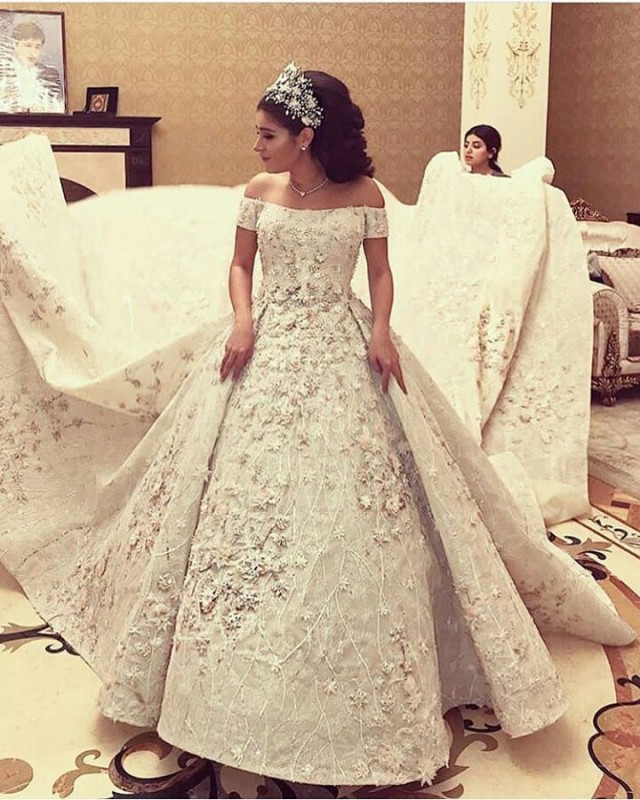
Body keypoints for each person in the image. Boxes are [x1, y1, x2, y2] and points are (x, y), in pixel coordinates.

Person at [0, 64, 635, 788]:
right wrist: (242, 321)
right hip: (265, 343)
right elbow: (240, 268)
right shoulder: (258, 192)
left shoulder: (363, 195)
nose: (257, 145)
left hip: (344, 341)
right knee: (229, 495)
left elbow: (381, 274)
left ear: (306, 136)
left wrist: (383, 331)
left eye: (268, 134)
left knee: (367, 496)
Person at [0, 19, 65, 113]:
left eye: (37, 47)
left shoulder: (50, 75)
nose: (33, 52)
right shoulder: (2, 72)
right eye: (28, 45)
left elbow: (58, 110)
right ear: (15, 44)